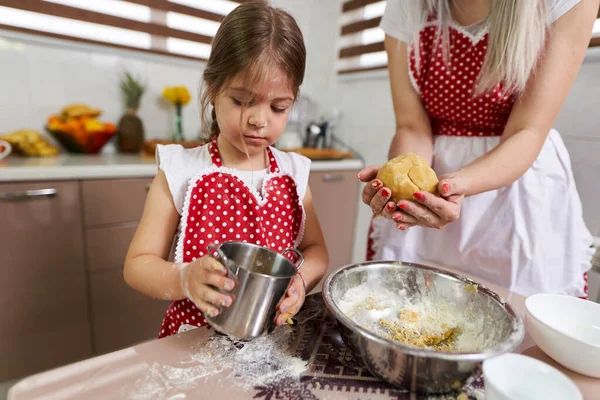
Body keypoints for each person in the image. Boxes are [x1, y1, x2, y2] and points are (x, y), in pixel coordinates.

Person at [360, 0, 598, 297]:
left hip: (517, 190)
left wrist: (457, 185)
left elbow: (528, 130)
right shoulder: (408, 6)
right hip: (436, 176)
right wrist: (411, 187)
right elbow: (412, 124)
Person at [124, 2, 328, 338]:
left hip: (270, 342)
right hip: (193, 342)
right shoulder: (181, 171)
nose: (258, 120)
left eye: (278, 107)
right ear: (212, 87)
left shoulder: (294, 173)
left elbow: (316, 251)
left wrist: (300, 281)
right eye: (242, 101)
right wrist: (183, 279)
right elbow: (137, 265)